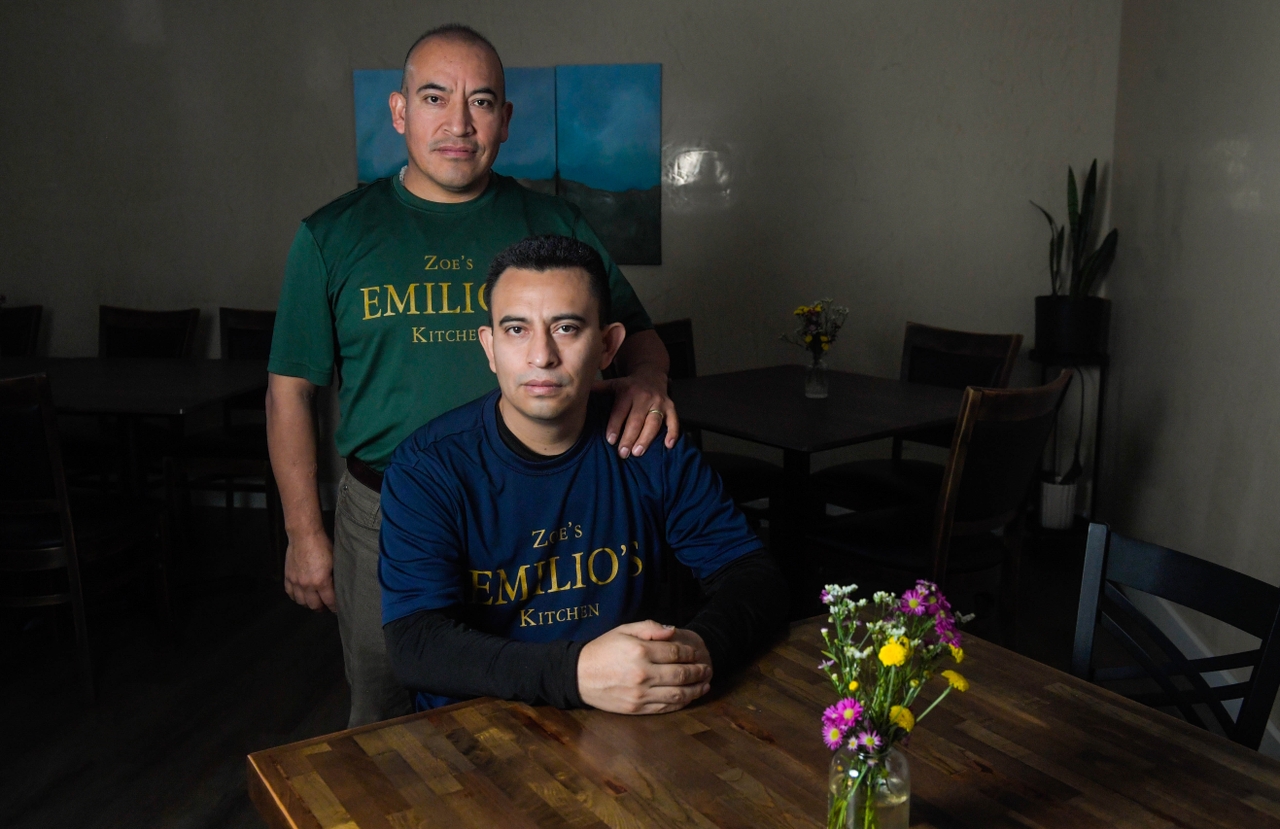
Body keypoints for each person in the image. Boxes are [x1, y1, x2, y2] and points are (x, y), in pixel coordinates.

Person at [266, 24, 678, 727]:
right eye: (435, 98)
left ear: (506, 121)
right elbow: (289, 394)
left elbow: (639, 340)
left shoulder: (554, 222)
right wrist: (306, 532)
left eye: (482, 102)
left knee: (535, 704)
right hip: (385, 510)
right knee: (386, 708)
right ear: (399, 112)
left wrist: (647, 381)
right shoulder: (331, 235)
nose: (459, 123)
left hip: (537, 510)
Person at [379, 235, 787, 713]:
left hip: (633, 715)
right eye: (516, 330)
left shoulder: (648, 443)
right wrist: (574, 674)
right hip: (484, 718)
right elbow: (416, 644)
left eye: (567, 328)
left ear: (608, 345)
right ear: (489, 347)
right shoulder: (427, 468)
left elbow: (753, 577)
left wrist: (702, 647)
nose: (541, 356)